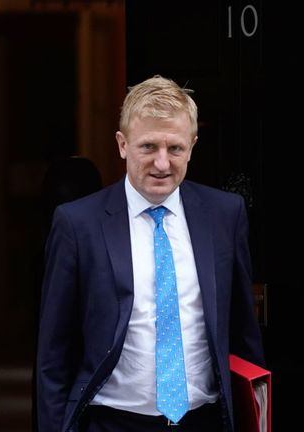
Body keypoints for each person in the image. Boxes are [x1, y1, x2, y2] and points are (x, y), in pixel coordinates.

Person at [34, 75, 265, 432]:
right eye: (148, 147)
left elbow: (244, 336)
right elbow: (53, 354)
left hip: (202, 421)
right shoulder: (78, 224)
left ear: (193, 145)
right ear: (122, 144)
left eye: (175, 149)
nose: (162, 164)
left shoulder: (225, 215)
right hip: (112, 422)